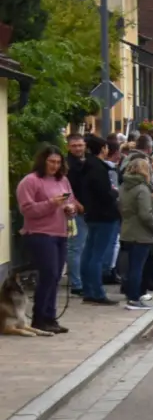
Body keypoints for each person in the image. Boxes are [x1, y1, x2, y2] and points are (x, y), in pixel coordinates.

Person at [16, 145, 82, 334]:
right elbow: (28, 210)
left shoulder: (63, 181)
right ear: (43, 161)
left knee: (55, 276)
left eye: (58, 162)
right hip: (39, 234)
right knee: (48, 274)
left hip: (60, 233)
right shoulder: (30, 181)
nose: (54, 166)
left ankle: (50, 317)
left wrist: (70, 208)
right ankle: (39, 317)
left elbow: (71, 201)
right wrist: (51, 203)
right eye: (51, 162)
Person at [77, 135, 122, 307]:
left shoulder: (86, 166)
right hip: (105, 215)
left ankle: (88, 289)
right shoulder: (99, 168)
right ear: (102, 148)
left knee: (89, 252)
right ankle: (97, 292)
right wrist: (115, 194)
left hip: (92, 213)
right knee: (97, 255)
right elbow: (105, 193)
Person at [117, 156, 153, 312]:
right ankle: (134, 298)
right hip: (141, 233)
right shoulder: (142, 188)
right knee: (137, 267)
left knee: (129, 267)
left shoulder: (123, 186)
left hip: (127, 229)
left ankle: (130, 294)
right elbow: (145, 213)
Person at [65, 133, 89, 296]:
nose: (78, 148)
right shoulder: (66, 165)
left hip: (87, 210)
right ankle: (76, 283)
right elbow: (66, 189)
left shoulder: (85, 162)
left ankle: (80, 279)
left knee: (82, 246)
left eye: (80, 145)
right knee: (75, 247)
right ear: (68, 147)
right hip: (75, 210)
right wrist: (77, 204)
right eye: (74, 146)